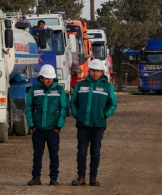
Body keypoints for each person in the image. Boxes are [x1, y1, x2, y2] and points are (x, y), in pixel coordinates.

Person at [69, 58, 117, 186]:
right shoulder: (80, 85)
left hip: (98, 125)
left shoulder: (107, 87)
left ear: (102, 72)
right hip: (83, 125)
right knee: (81, 152)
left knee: (95, 152)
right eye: (93, 71)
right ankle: (81, 177)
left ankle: (93, 178)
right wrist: (76, 114)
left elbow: (113, 104)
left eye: (98, 71)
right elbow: (73, 101)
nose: (95, 73)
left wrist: (104, 115)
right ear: (89, 71)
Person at [26, 63, 67, 186]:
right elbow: (28, 107)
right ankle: (36, 178)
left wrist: (58, 126)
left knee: (54, 154)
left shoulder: (59, 90)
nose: (49, 81)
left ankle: (53, 178)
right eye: (47, 78)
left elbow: (64, 108)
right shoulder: (34, 90)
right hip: (38, 129)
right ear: (41, 78)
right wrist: (31, 124)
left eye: (51, 79)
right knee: (37, 155)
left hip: (52, 130)